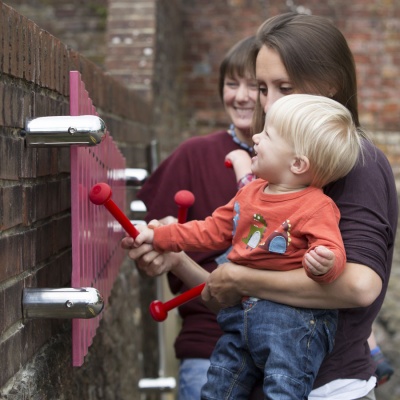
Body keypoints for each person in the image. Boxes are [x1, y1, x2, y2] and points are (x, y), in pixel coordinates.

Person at [122, 12, 398, 400]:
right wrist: (177, 256)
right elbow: (238, 290)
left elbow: (359, 285)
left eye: (284, 87)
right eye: (263, 88)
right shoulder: (270, 179)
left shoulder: (359, 162)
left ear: (331, 85)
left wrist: (243, 279)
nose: (266, 104)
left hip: (328, 389)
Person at [132, 94, 364, 399]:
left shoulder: (317, 207)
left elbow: (334, 254)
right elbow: (212, 229)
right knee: (219, 385)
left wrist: (325, 263)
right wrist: (161, 237)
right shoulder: (250, 193)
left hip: (293, 325)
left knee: (284, 388)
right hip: (240, 317)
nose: (255, 136)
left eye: (267, 134)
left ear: (297, 163)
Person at [126, 36, 259, 400]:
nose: (242, 96)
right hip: (209, 347)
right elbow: (151, 253)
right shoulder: (194, 154)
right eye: (232, 84)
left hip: (283, 353)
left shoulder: (299, 165)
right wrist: (154, 249)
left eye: (255, 86)